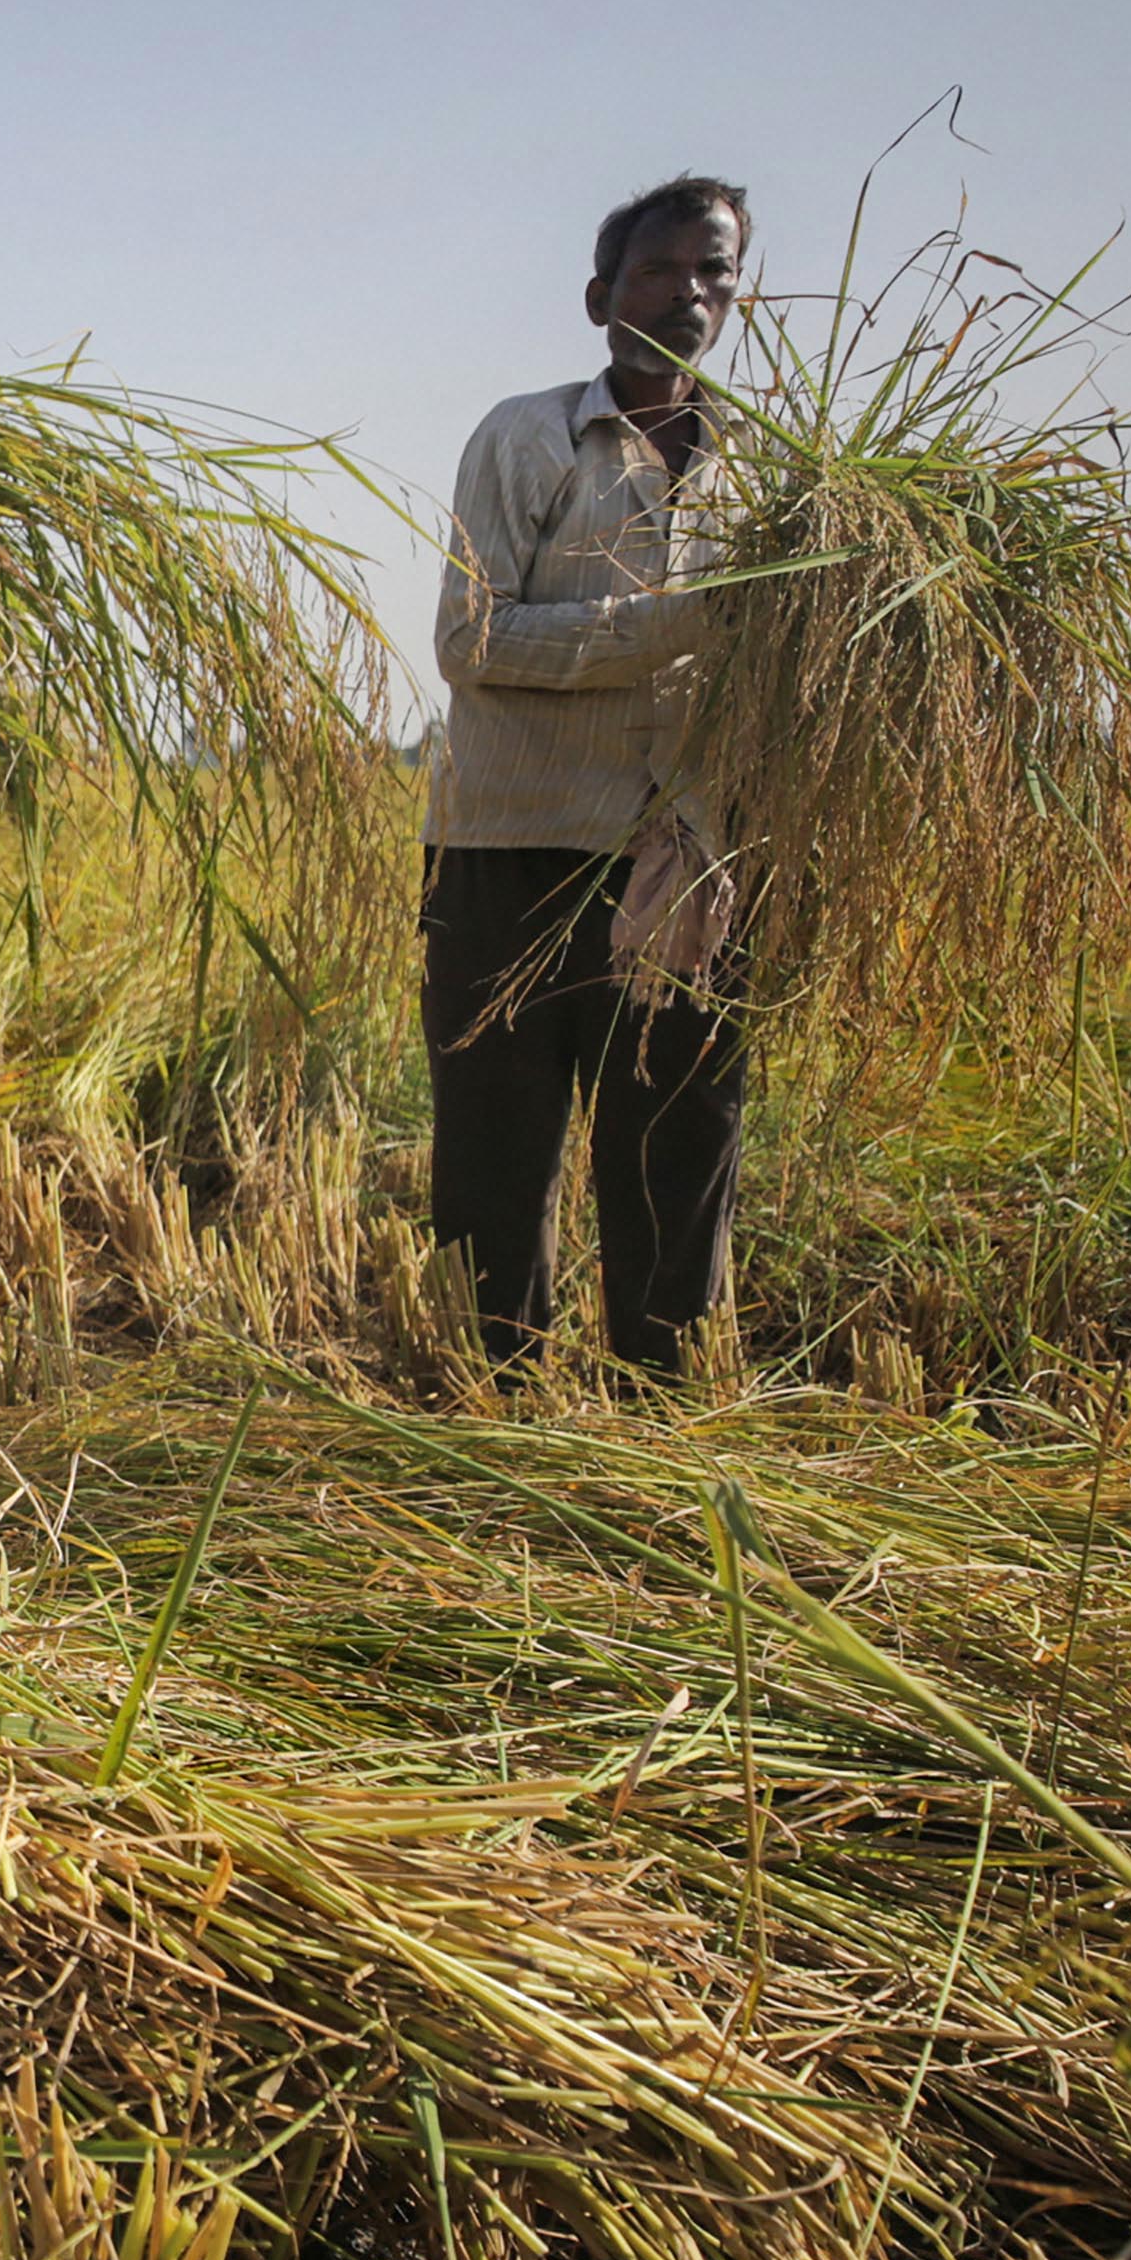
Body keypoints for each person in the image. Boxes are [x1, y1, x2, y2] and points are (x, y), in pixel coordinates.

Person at [419, 172, 755, 1379]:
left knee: (678, 1145)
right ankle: (490, 1405)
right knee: (497, 1152)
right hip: (512, 848)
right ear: (600, 296)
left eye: (712, 270)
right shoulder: (530, 437)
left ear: (738, 291)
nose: (688, 293)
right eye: (660, 271)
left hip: (688, 860)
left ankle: (668, 1416)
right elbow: (471, 641)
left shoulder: (777, 477)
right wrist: (670, 630)